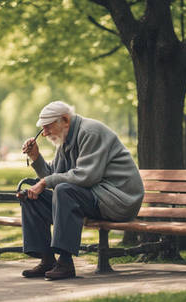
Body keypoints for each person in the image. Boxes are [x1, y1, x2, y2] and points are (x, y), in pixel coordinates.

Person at [21, 101, 144, 280]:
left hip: (118, 201)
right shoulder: (65, 139)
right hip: (95, 196)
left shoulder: (90, 132)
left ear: (64, 120)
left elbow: (87, 176)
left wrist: (46, 181)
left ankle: (65, 263)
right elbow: (53, 175)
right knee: (32, 197)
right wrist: (36, 157)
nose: (45, 133)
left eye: (47, 127)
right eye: (43, 129)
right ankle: (47, 260)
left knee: (65, 191)